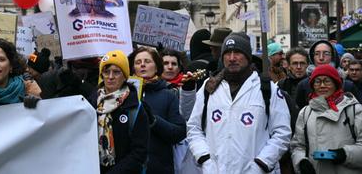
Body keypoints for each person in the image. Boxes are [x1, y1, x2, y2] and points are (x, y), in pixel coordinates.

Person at [187, 33, 291, 173]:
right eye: (227, 53)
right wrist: (205, 159)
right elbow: (194, 128)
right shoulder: (208, 88)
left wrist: (261, 164)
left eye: (237, 53)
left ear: (248, 57)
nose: (232, 58)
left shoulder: (267, 89)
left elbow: (282, 132)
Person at [290, 64, 362, 174]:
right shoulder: (305, 112)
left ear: (336, 84)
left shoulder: (354, 110)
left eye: (327, 81)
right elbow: (298, 146)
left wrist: (345, 154)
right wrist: (301, 161)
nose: (322, 85)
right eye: (317, 81)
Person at [89, 50, 149, 173]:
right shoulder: (90, 104)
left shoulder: (135, 108)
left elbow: (139, 152)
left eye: (116, 72)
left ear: (125, 76)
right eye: (106, 72)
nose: (110, 77)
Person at [129, 46, 186, 174]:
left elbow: (179, 133)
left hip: (158, 168)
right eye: (138, 62)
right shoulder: (124, 94)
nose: (142, 65)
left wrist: (154, 121)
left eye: (147, 61)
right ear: (133, 68)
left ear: (156, 67)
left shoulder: (169, 94)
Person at [294, 40, 361, 109]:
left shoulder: (347, 85)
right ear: (312, 57)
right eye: (317, 54)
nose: (321, 58)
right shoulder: (303, 85)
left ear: (333, 56)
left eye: (326, 53)